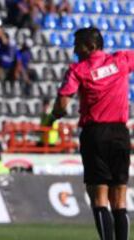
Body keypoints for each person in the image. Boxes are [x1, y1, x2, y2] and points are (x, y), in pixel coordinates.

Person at [49, 27, 132, 240]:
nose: (75, 50)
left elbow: (62, 102)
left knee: (99, 197)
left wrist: (55, 115)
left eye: (79, 45)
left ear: (91, 46)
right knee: (120, 198)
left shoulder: (78, 70)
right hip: (120, 134)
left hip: (95, 135)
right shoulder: (122, 60)